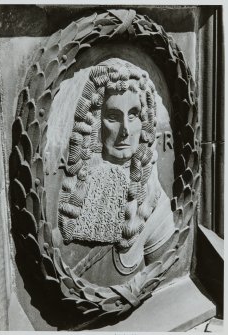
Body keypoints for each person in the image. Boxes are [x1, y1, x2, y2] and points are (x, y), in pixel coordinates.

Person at [55, 58, 175, 282]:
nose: (125, 131)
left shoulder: (155, 208)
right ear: (95, 124)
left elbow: (164, 277)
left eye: (133, 115)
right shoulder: (72, 202)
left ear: (145, 122)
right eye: (112, 117)